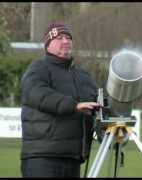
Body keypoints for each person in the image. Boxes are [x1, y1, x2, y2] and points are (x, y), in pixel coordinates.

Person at [20, 22, 100, 177]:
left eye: (68, 38)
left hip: (73, 159)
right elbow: (38, 94)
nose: (65, 41)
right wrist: (74, 106)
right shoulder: (38, 68)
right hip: (41, 158)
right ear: (48, 45)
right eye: (59, 38)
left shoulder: (83, 76)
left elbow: (99, 103)